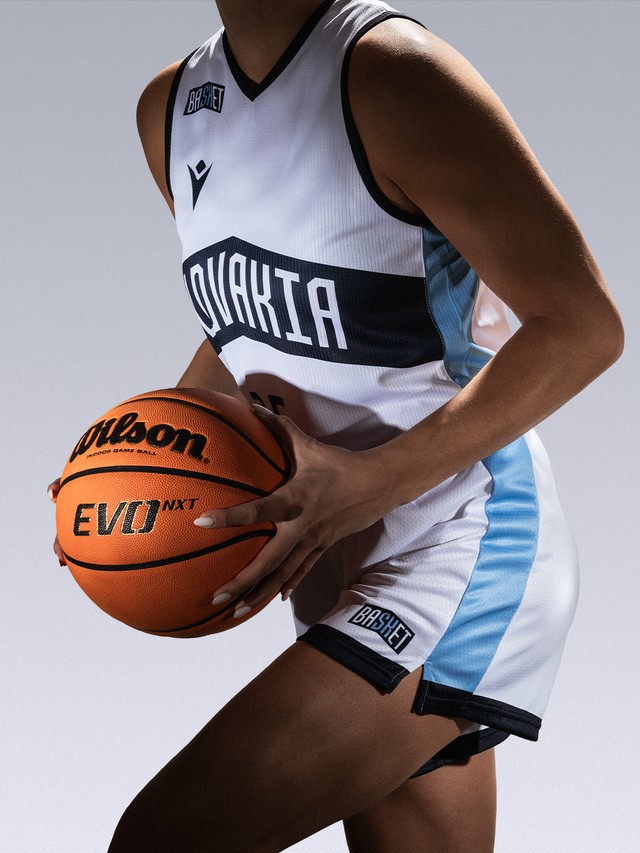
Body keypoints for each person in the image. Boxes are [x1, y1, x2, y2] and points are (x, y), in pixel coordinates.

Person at [50, 1, 623, 850]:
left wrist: (366, 487)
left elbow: (581, 325)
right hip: (334, 539)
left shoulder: (395, 75)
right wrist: (134, 464)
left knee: (167, 837)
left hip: (464, 536)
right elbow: (251, 334)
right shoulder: (169, 110)